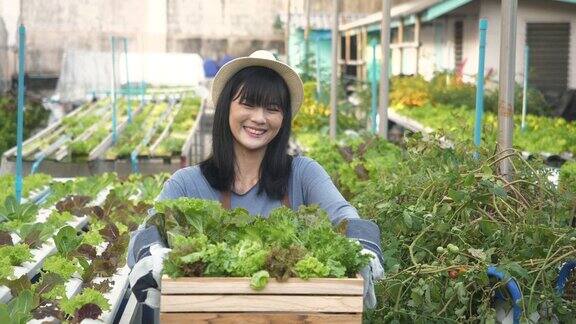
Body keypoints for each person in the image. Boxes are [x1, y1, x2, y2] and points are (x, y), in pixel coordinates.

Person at [127, 50, 384, 321]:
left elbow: (345, 216)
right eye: (248, 104)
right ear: (227, 107)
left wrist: (362, 247)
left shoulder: (303, 174)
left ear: (283, 119)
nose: (260, 118)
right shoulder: (188, 183)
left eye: (273, 108)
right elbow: (145, 232)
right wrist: (153, 253)